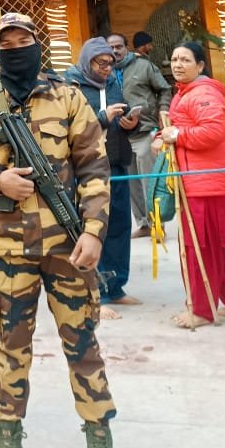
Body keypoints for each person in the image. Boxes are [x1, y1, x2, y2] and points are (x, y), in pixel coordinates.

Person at [0, 12, 123, 448]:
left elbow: (94, 168)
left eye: (22, 41)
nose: (15, 49)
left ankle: (100, 442)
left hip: (68, 247)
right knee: (11, 346)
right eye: (6, 43)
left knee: (82, 344)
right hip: (7, 248)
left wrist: (94, 232)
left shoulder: (67, 97)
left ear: (36, 44)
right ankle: (8, 442)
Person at [152, 41, 225, 329]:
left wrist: (176, 135)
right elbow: (179, 128)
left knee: (200, 250)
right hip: (218, 184)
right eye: (174, 59)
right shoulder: (186, 93)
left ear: (200, 65)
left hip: (206, 187)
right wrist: (163, 137)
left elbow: (212, 131)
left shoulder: (203, 93)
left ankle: (201, 310)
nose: (177, 64)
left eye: (185, 59)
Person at [65, 39, 141, 317]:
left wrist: (132, 124)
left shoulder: (112, 84)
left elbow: (122, 116)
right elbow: (69, 129)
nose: (107, 68)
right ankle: (93, 292)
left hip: (116, 165)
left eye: (111, 63)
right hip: (86, 171)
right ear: (87, 61)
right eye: (101, 63)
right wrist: (102, 118)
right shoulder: (70, 87)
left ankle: (115, 288)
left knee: (119, 227)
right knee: (91, 229)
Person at [107, 32, 171, 237]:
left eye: (119, 46)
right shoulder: (104, 70)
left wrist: (163, 110)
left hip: (144, 129)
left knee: (149, 180)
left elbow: (164, 89)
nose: (115, 51)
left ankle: (157, 223)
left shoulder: (143, 66)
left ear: (127, 47)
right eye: (111, 48)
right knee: (132, 182)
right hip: (119, 135)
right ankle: (143, 224)